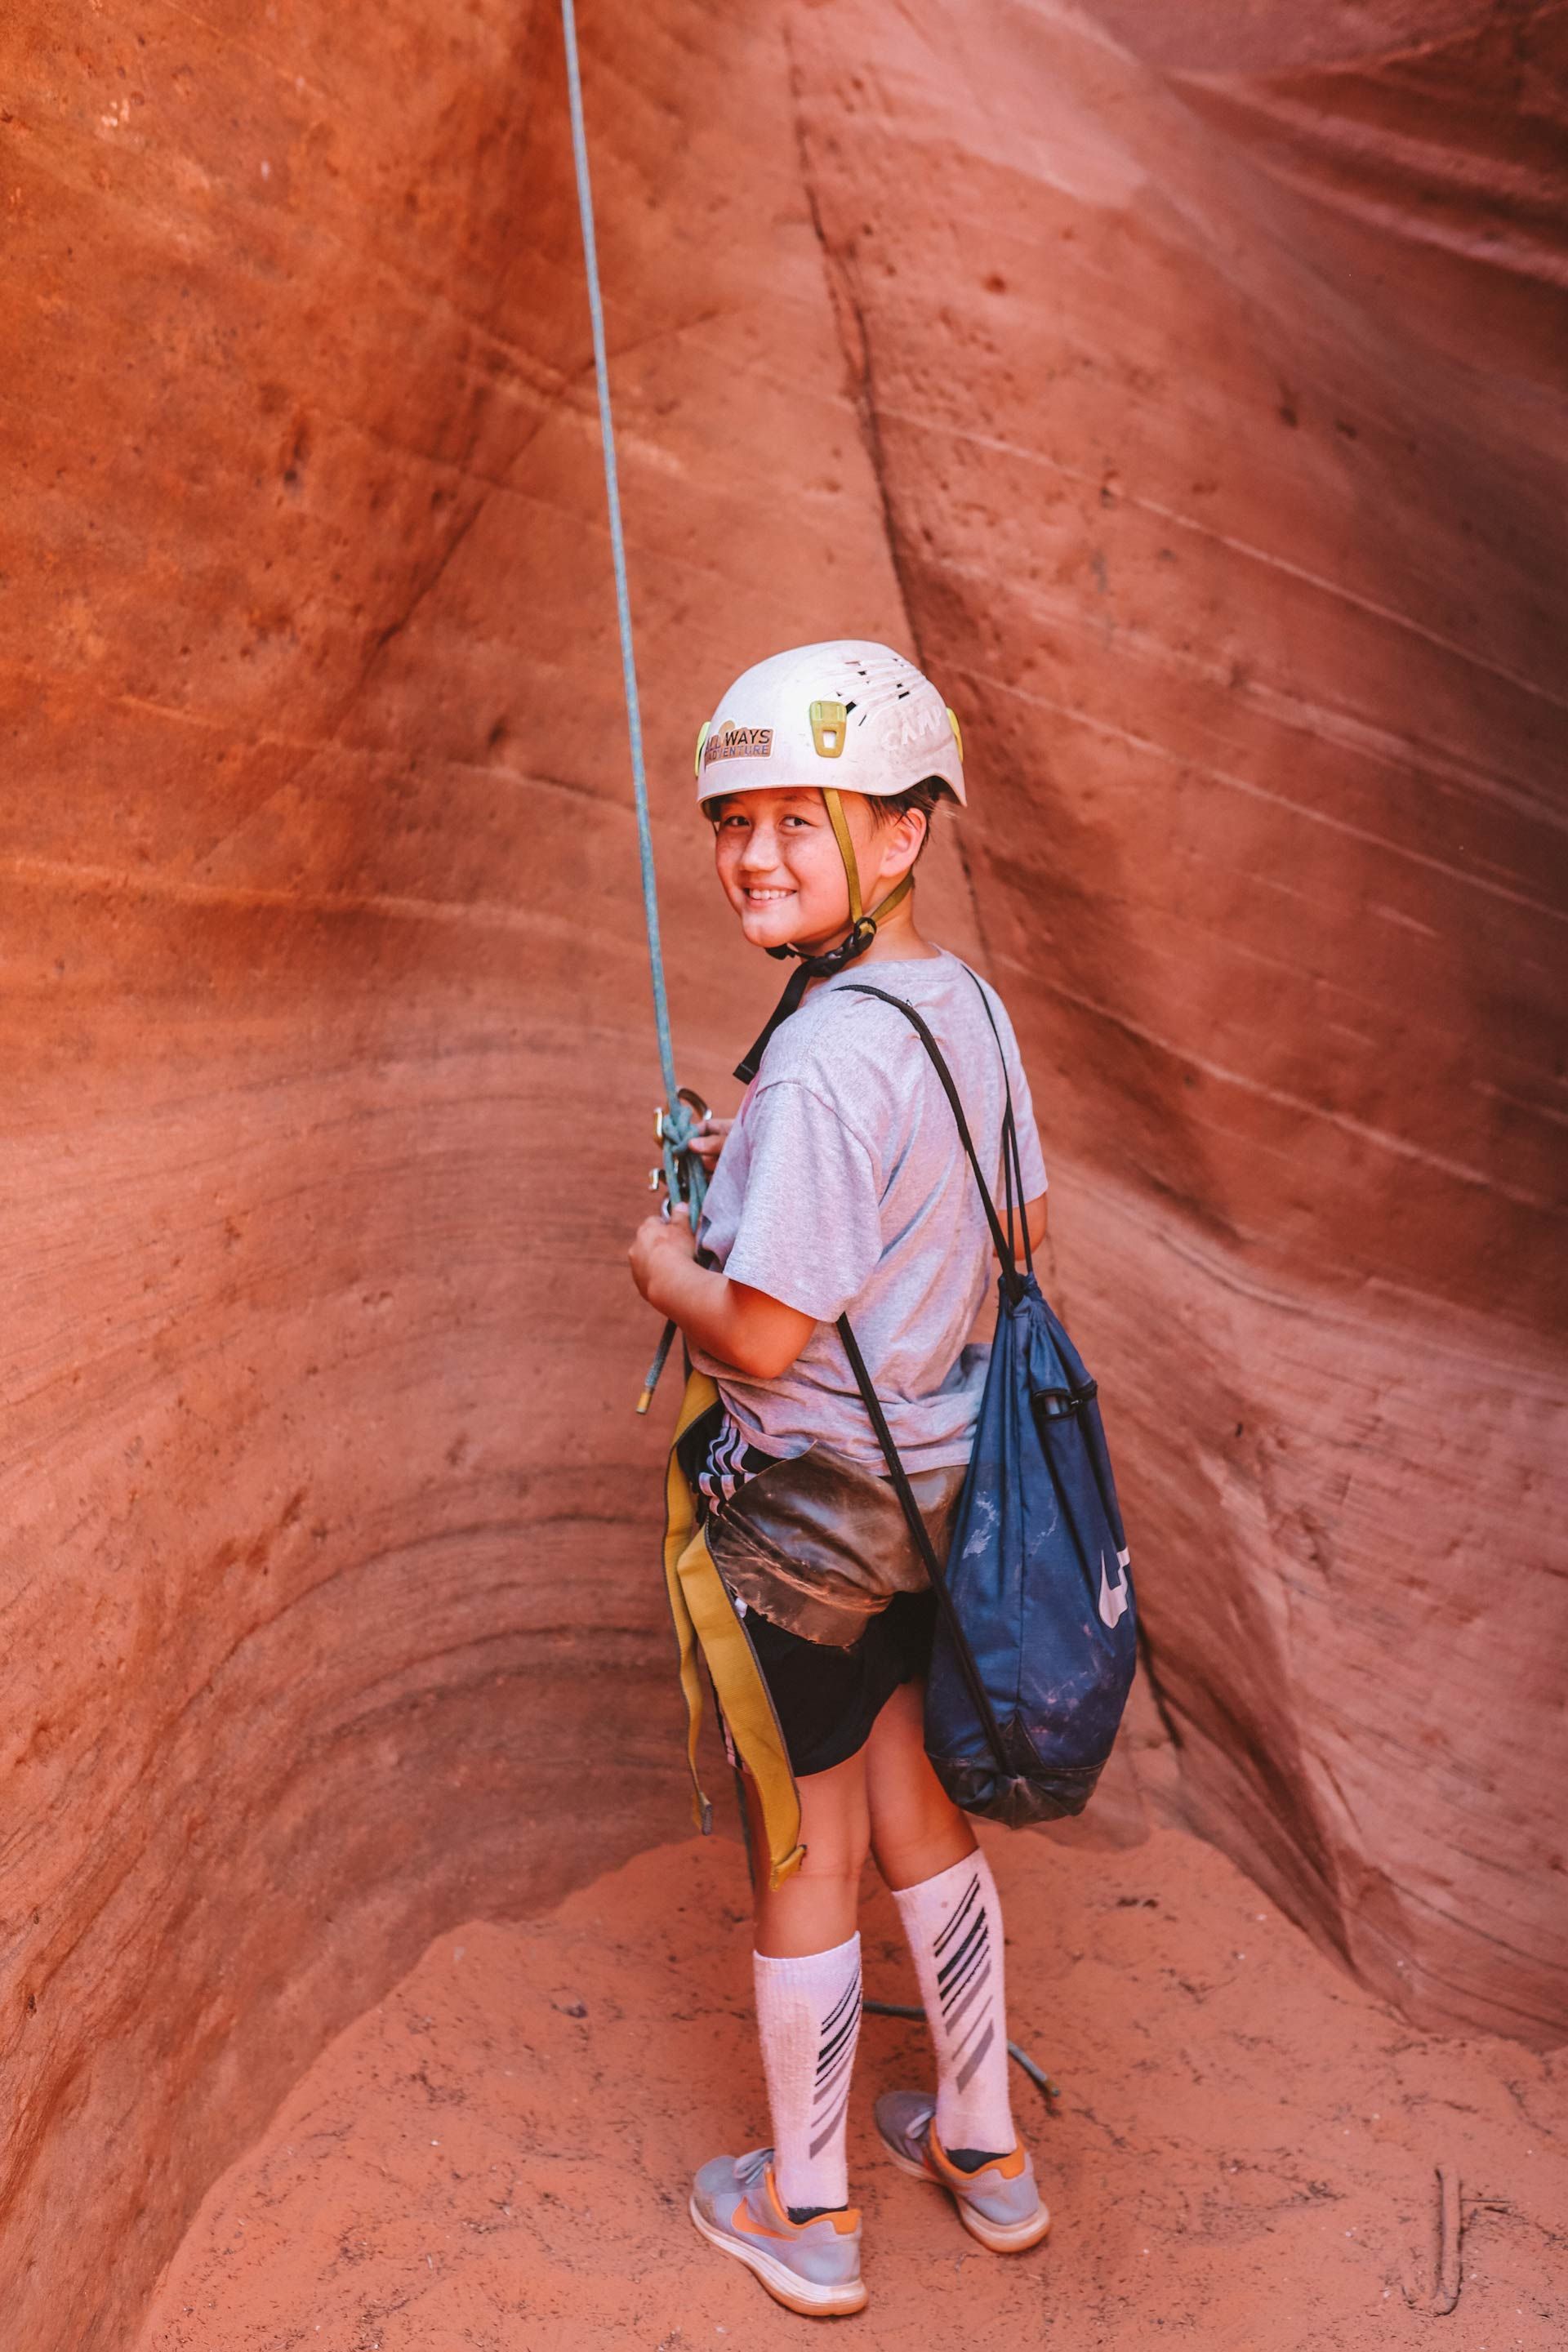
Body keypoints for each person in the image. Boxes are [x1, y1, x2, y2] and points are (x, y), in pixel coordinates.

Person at [627, 641, 1052, 2318]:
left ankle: (807, 2211)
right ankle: (983, 2142)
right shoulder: (962, 1011)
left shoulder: (816, 1059)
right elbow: (1009, 1227)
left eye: (800, 822)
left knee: (798, 1849)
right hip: (941, 1497)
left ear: (901, 837)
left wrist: (670, 1261)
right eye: (735, 823)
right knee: (907, 1802)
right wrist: (797, 1187)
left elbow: (763, 1340)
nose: (752, 858)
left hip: (809, 1528)